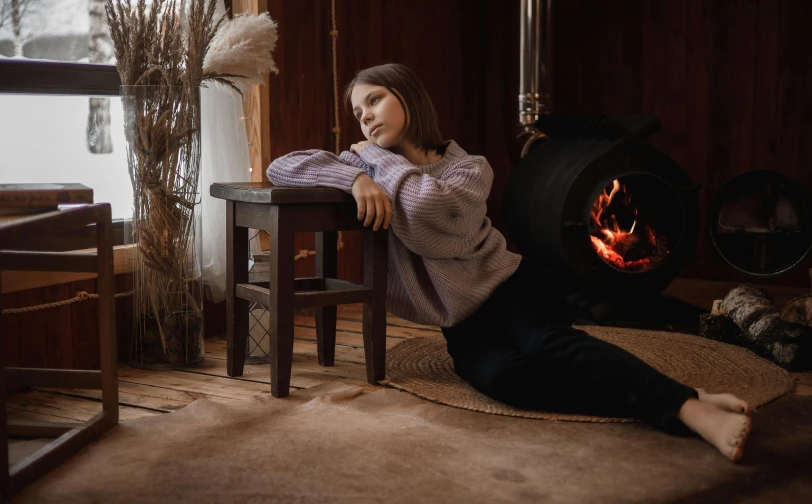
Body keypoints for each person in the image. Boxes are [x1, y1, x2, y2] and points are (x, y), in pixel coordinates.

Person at [266, 63, 752, 462]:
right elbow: (281, 166)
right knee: (507, 379)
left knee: (551, 345)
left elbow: (427, 205)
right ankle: (679, 396)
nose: (365, 118)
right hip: (460, 315)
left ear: (408, 98)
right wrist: (354, 180)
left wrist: (377, 163)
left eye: (375, 100)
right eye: (357, 112)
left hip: (509, 283)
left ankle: (688, 411)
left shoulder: (469, 167)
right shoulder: (367, 168)